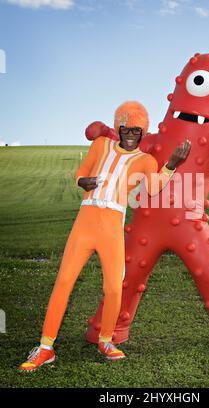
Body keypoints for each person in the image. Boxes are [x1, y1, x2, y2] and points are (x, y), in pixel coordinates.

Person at [18, 101, 191, 371]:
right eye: (125, 129)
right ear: (118, 129)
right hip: (85, 221)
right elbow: (81, 172)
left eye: (136, 129)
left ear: (143, 131)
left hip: (112, 225)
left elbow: (155, 188)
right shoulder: (101, 145)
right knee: (63, 281)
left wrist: (171, 165)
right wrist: (81, 182)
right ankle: (45, 347)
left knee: (113, 287)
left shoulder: (146, 161)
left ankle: (106, 340)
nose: (130, 134)